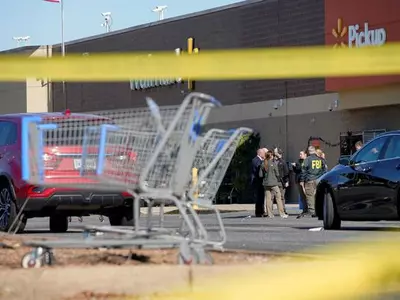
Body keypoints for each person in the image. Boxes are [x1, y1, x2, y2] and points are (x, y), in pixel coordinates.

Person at [298, 146, 326, 218]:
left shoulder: (307, 159)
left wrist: (302, 180)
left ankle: (312, 211)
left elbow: (303, 170)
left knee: (310, 196)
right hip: (318, 179)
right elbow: (324, 170)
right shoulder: (320, 159)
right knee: (318, 195)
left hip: (309, 180)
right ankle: (319, 210)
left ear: (309, 152)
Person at [259, 151, 288, 219]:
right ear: (271, 156)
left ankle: (270, 214)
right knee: (278, 198)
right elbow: (277, 174)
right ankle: (282, 213)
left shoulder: (263, 164)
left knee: (268, 199)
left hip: (266, 184)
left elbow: (260, 175)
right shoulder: (273, 163)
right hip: (274, 183)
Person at [273, 148, 289, 214]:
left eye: (277, 153)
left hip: (281, 181)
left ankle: (283, 210)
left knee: (282, 196)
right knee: (272, 197)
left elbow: (286, 172)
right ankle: (270, 211)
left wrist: (287, 181)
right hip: (273, 181)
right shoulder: (272, 161)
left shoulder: (282, 162)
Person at [292, 150, 308, 217]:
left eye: (301, 154)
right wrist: (294, 166)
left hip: (305, 180)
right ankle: (304, 209)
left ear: (305, 155)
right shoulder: (298, 161)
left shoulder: (307, 161)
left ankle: (309, 209)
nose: (300, 155)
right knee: (302, 196)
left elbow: (302, 169)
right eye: (299, 154)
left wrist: (297, 166)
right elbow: (296, 171)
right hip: (298, 180)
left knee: (307, 195)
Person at [251, 148, 266, 217]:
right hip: (257, 181)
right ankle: (258, 212)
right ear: (260, 153)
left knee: (261, 197)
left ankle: (261, 211)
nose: (264, 154)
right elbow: (258, 168)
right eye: (263, 153)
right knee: (259, 198)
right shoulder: (255, 160)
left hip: (260, 182)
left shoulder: (260, 160)